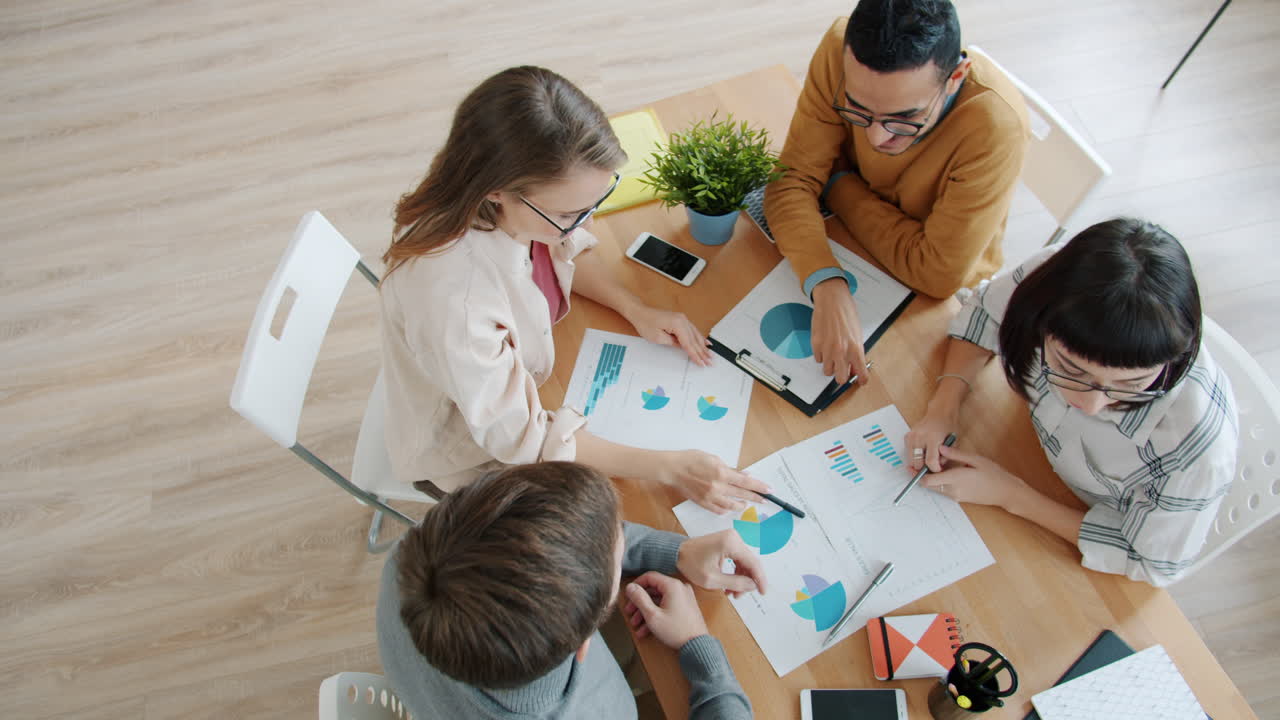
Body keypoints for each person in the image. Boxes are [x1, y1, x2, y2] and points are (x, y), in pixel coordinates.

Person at [380, 66, 768, 513]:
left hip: (514, 392)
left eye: (593, 205)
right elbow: (523, 439)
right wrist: (669, 467)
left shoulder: (508, 202)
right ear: (498, 191)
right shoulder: (455, 299)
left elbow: (562, 252)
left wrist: (634, 307)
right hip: (469, 457)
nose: (582, 225)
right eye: (569, 214)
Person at [905, 218, 1238, 587]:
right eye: (1070, 369)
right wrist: (943, 408)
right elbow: (984, 314)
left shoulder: (1197, 448)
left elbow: (1149, 561)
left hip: (1070, 517)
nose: (1092, 404)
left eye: (1133, 384)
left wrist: (1010, 494)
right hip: (1024, 445)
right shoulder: (1052, 280)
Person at [764, 0, 1030, 386]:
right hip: (858, 243)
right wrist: (826, 282)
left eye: (904, 119)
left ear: (956, 78)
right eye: (857, 111)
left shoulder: (995, 127)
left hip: (933, 297)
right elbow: (789, 182)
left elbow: (937, 275)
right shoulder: (839, 48)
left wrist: (835, 183)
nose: (876, 137)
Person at [377, 461, 761, 719]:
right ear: (583, 642)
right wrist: (699, 646)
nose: (621, 538)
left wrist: (677, 552)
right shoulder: (598, 712)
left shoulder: (413, 559)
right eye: (617, 549)